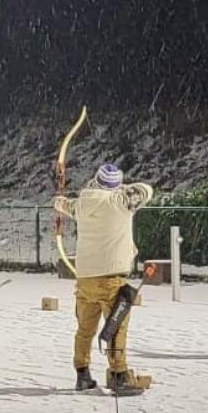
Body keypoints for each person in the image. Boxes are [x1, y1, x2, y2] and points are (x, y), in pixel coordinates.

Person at [54, 163, 155, 395]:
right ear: (115, 186)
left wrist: (58, 199)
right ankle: (120, 375)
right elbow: (146, 190)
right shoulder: (120, 201)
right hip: (112, 279)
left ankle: (82, 374)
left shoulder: (81, 203)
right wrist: (120, 188)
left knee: (85, 329)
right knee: (117, 326)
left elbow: (63, 204)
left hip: (85, 278)